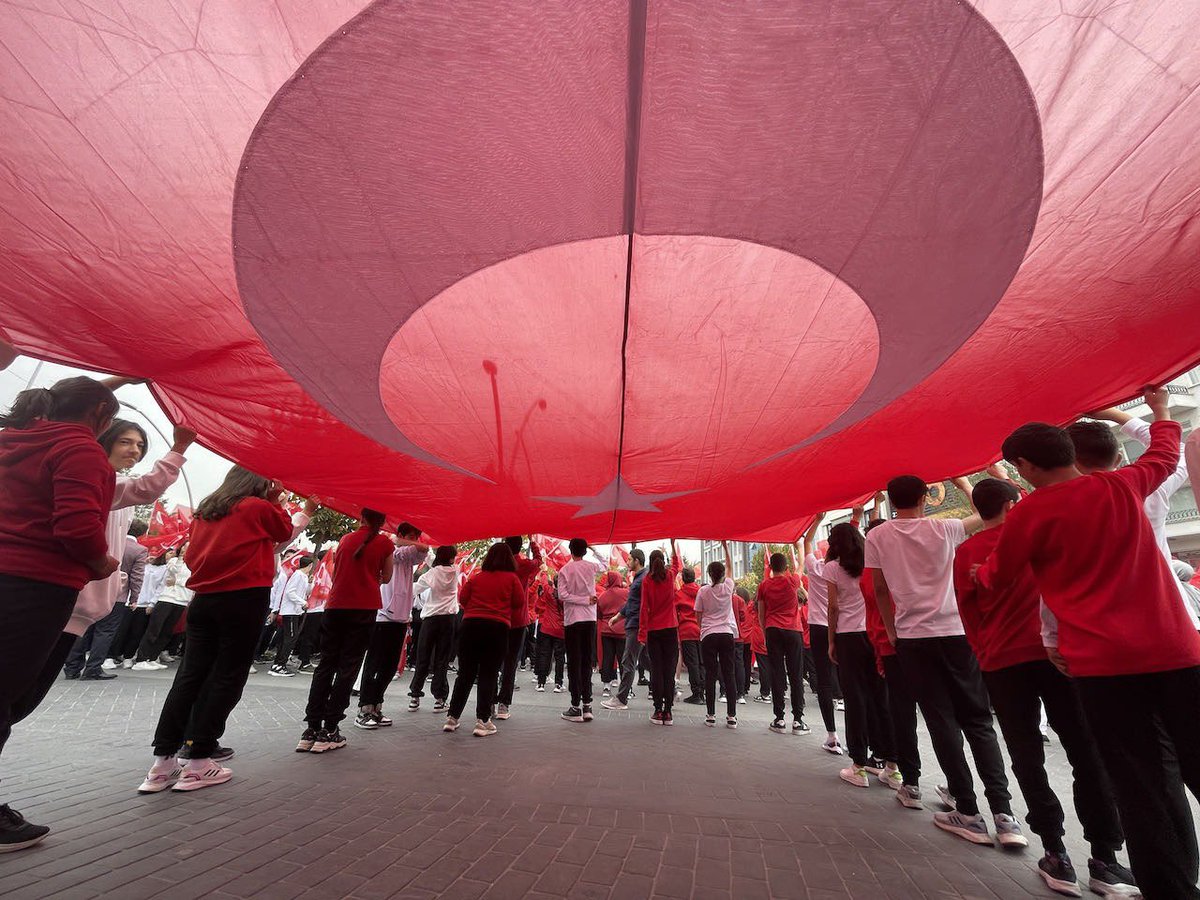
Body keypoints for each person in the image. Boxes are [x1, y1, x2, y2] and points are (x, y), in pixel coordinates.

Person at [978, 387, 1200, 898]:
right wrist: (1160, 407)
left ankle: (1169, 888)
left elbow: (1000, 574)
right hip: (1173, 650)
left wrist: (980, 569)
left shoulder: (1030, 516)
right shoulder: (1125, 486)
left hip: (1102, 667)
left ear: (1027, 467)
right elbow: (1166, 451)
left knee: (1138, 783)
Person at [956, 477, 1136, 897]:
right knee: (1086, 752)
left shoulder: (969, 552)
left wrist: (985, 653)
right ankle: (1105, 859)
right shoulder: (1041, 533)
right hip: (1060, 657)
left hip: (1003, 663)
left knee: (1027, 756)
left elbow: (968, 613)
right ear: (1015, 501)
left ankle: (1055, 853)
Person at [868, 474, 1020, 846]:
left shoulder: (878, 536)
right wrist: (964, 482)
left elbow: (881, 588)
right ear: (925, 497)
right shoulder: (947, 529)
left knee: (941, 721)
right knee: (979, 720)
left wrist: (891, 629)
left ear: (891, 500)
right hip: (956, 632)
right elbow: (989, 516)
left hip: (913, 638)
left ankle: (968, 811)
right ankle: (1004, 815)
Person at [0, 376, 119, 850]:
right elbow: (75, 523)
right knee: (6, 693)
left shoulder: (12, 439)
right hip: (33, 585)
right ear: (100, 416)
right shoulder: (81, 450)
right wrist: (100, 561)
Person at [137, 467, 299, 792]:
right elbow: (283, 531)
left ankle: (162, 762)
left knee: (188, 676)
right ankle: (198, 761)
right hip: (244, 598)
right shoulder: (257, 507)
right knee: (227, 676)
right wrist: (275, 499)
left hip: (204, 599)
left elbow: (193, 557)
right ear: (259, 483)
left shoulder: (207, 510)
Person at [57, 419, 191, 683]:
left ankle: (79, 667)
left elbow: (142, 490)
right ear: (104, 440)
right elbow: (145, 488)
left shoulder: (118, 486)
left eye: (140, 445)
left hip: (96, 594)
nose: (135, 451)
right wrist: (179, 447)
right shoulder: (93, 478)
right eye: (125, 442)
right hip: (69, 589)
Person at [1070, 408, 1200, 629]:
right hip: (1174, 619)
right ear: (1119, 458)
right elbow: (1177, 452)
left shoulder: (1062, 506)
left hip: (1107, 629)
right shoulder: (1150, 489)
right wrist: (1118, 415)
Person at [298, 509, 394, 754]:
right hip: (363, 608)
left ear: (361, 518)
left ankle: (310, 729)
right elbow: (387, 576)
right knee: (348, 667)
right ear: (382, 521)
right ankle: (330, 728)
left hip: (335, 606)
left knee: (325, 665)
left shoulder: (345, 539)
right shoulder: (384, 543)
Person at [826, 522, 897, 790]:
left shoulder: (832, 568)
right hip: (873, 633)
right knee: (882, 697)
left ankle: (857, 765)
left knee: (855, 698)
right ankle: (892, 766)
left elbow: (834, 607)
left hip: (848, 637)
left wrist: (831, 641)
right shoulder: (873, 564)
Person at [444, 542, 525, 736]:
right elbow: (519, 602)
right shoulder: (512, 579)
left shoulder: (477, 577)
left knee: (465, 673)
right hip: (497, 627)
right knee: (488, 673)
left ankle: (452, 717)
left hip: (470, 626)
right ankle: (483, 721)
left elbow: (463, 599)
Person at [863, 516, 919, 796]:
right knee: (940, 715)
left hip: (889, 642)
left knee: (896, 709)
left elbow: (878, 596)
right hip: (927, 638)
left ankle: (906, 777)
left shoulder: (868, 572)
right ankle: (961, 791)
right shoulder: (913, 557)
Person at [357, 524, 428, 728]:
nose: (416, 540)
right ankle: (364, 708)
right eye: (411, 536)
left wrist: (415, 541)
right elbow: (402, 544)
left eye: (417, 536)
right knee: (374, 664)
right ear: (401, 535)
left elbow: (423, 550)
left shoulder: (410, 556)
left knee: (389, 667)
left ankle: (377, 705)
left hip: (401, 618)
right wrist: (408, 541)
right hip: (382, 616)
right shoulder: (390, 550)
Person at [72, 521, 148, 675]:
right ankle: (93, 668)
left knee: (85, 628)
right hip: (117, 594)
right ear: (142, 533)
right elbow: (137, 576)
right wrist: (134, 597)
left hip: (94, 589)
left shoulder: (110, 540)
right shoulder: (139, 550)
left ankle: (72, 666)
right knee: (105, 631)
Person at [756, 551, 809, 736]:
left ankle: (779, 719)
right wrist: (798, 546)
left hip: (772, 630)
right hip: (793, 630)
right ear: (786, 568)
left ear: (770, 567)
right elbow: (802, 564)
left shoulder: (763, 586)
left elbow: (761, 614)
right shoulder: (792, 581)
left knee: (777, 674)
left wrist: (765, 632)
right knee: (796, 675)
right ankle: (798, 720)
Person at [803, 518, 842, 753]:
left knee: (823, 682)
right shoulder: (849, 568)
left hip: (819, 626)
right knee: (851, 682)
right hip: (844, 627)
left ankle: (832, 735)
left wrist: (817, 519)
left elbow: (807, 541)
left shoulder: (817, 568)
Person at [557, 538, 606, 723]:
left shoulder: (565, 570)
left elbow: (563, 596)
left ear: (571, 551)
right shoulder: (591, 567)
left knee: (575, 662)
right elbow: (606, 563)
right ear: (585, 551)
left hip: (572, 620)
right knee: (586, 662)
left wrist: (581, 600)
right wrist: (594, 548)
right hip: (589, 619)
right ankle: (587, 705)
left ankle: (575, 706)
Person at [407, 545, 459, 710]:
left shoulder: (432, 574)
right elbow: (435, 562)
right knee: (442, 659)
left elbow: (414, 589)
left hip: (430, 619)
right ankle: (440, 698)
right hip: (448, 619)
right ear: (452, 559)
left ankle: (415, 696)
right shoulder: (455, 571)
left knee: (423, 657)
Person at [495, 536, 541, 720]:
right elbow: (539, 561)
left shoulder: (497, 563)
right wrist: (533, 542)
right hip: (518, 620)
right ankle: (503, 705)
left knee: (494, 662)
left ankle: (489, 701)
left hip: (497, 617)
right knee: (510, 663)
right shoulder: (524, 564)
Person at [695, 543, 739, 728]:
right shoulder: (728, 587)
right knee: (729, 674)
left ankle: (711, 715)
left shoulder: (703, 591)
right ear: (722, 575)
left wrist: (703, 629)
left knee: (710, 674)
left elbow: (698, 614)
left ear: (709, 574)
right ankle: (731, 716)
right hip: (727, 633)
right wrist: (725, 547)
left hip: (709, 635)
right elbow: (730, 567)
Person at [638, 544, 682, 725]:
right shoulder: (670, 576)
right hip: (671, 629)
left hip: (654, 630)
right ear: (663, 562)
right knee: (669, 671)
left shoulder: (647, 581)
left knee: (657, 671)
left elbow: (643, 609)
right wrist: (672, 544)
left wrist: (642, 634)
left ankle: (657, 710)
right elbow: (677, 565)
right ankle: (668, 712)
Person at [131, 549, 193, 668]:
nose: (186, 549)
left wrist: (178, 582)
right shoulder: (174, 560)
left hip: (182, 600)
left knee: (167, 631)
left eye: (189, 547)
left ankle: (152, 657)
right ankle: (141, 659)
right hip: (166, 598)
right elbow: (172, 572)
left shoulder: (194, 564)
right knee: (154, 629)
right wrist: (180, 560)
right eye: (184, 546)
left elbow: (189, 582)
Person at [602, 548, 646, 711]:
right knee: (647, 661)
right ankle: (669, 689)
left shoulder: (642, 579)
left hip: (637, 625)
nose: (627, 562)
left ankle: (621, 698)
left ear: (637, 561)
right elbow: (631, 603)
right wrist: (618, 617)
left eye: (629, 560)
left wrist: (619, 617)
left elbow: (637, 603)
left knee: (628, 661)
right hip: (636, 624)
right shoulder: (639, 578)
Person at [268, 557, 313, 678]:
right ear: (308, 565)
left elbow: (306, 593)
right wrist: (302, 602)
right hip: (290, 611)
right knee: (290, 638)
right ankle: (280, 665)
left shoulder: (303, 577)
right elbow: (290, 592)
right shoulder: (297, 575)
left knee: (287, 638)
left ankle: (278, 663)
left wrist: (309, 584)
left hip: (296, 611)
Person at [533, 573, 566, 693]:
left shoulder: (548, 591)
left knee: (544, 655)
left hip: (546, 628)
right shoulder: (566, 596)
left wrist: (544, 571)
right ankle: (558, 684)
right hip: (560, 630)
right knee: (559, 657)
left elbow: (544, 581)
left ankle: (541, 683)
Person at [675, 567, 704, 704]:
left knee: (692, 663)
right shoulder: (701, 591)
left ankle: (696, 693)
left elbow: (675, 613)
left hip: (686, 630)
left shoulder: (679, 594)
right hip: (701, 629)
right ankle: (703, 691)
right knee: (701, 663)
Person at [596, 572, 628, 693]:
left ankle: (606, 685)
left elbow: (599, 613)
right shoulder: (626, 593)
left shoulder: (603, 596)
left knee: (607, 658)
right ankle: (625, 687)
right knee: (623, 659)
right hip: (622, 630)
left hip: (606, 630)